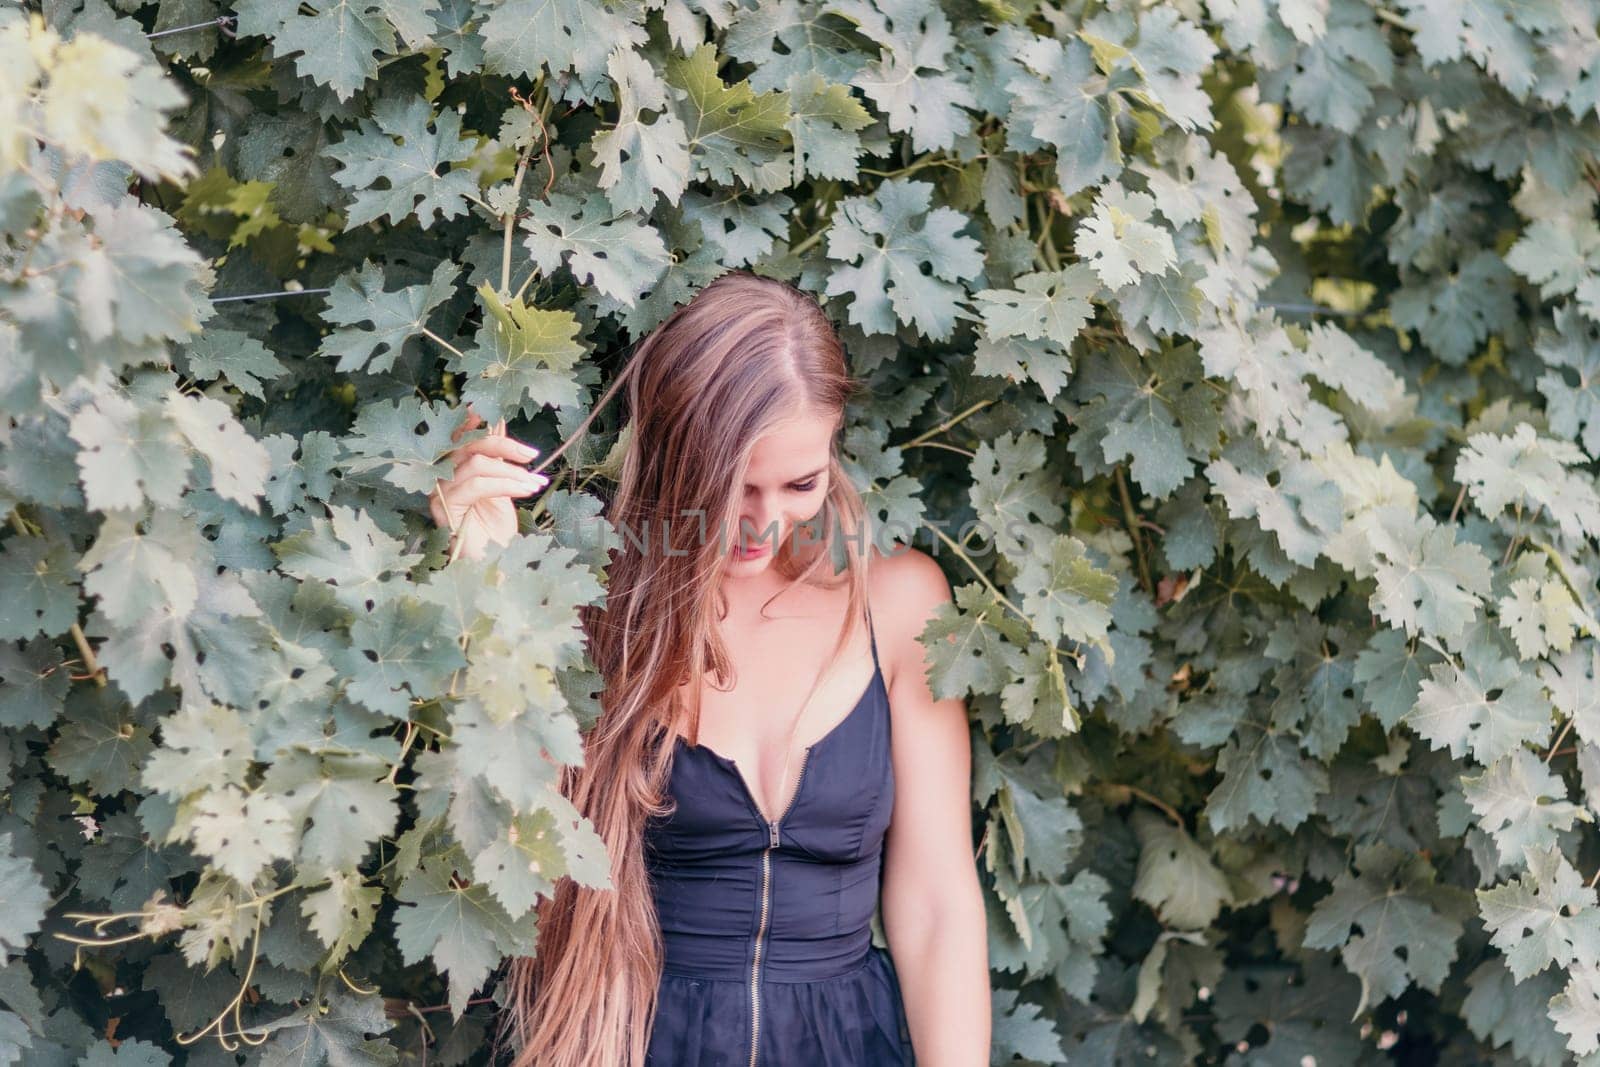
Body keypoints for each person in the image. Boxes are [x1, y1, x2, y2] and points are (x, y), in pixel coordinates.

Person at [429, 270, 989, 1065]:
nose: (763, 522)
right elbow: (524, 847)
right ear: (676, 455)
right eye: (734, 487)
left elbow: (936, 901)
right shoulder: (593, 607)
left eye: (800, 482)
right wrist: (486, 593)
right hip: (637, 1040)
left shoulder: (898, 604)